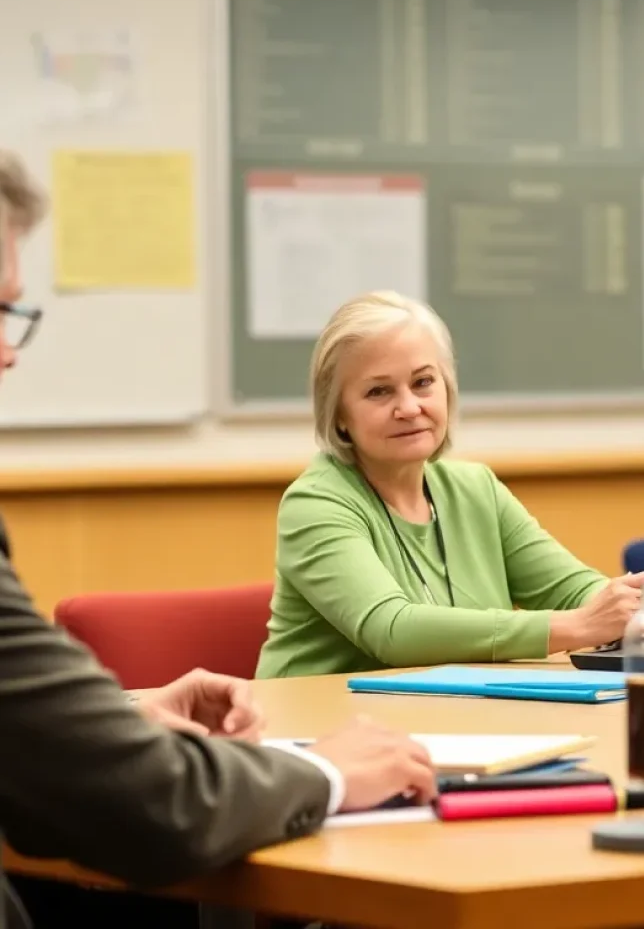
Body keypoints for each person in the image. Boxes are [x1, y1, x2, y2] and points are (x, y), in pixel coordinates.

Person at [0, 151, 438, 929]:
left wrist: (123, 718)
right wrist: (318, 773)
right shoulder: (320, 498)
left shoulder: (471, 486)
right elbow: (151, 809)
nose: (9, 351)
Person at [255, 290, 644, 679]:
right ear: (338, 412)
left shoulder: (475, 488)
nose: (409, 407)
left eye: (423, 382)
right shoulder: (315, 504)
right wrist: (575, 626)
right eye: (379, 391)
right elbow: (392, 630)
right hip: (317, 732)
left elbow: (571, 590)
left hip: (452, 725)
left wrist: (627, 605)